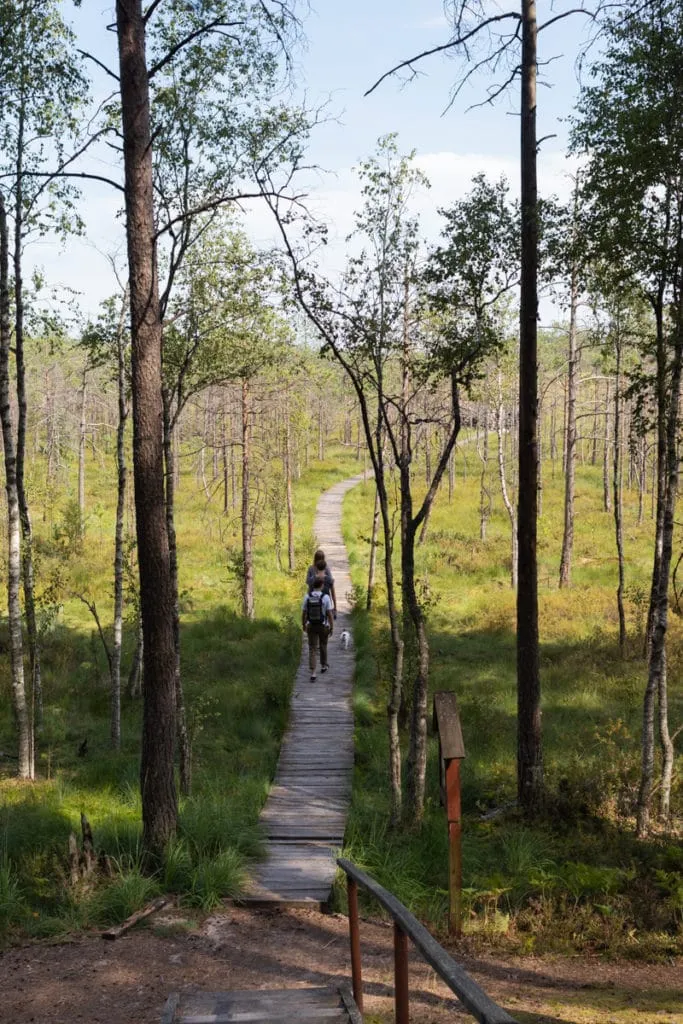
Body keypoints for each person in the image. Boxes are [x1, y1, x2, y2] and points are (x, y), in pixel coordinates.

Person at [302, 571, 334, 681]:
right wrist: (332, 626)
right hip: (323, 626)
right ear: (322, 585)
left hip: (311, 625)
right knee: (323, 645)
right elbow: (329, 614)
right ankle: (324, 665)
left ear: (312, 585)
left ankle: (313, 672)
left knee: (312, 648)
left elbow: (304, 613)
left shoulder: (307, 597)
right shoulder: (326, 597)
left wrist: (303, 624)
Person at [306, 548, 337, 617]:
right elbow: (331, 584)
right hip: (326, 597)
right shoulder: (326, 568)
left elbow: (307, 582)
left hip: (312, 598)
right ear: (323, 558)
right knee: (327, 617)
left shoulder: (311, 568)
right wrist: (335, 608)